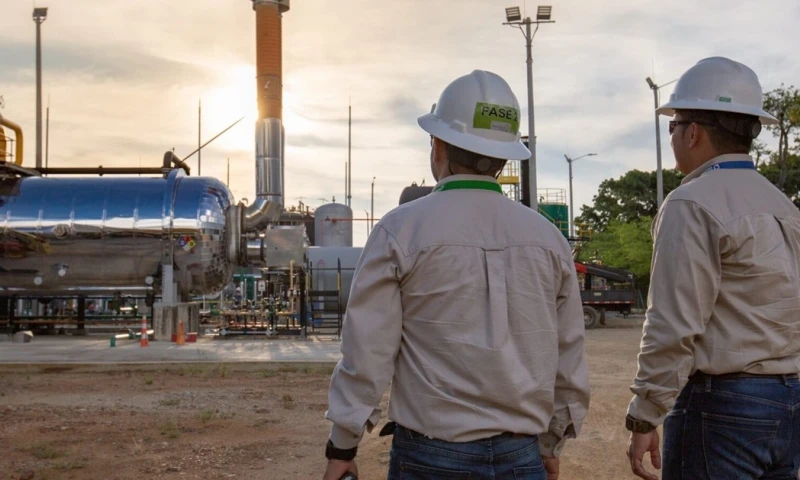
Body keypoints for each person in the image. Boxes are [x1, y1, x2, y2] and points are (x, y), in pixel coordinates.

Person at [323, 70, 590, 480]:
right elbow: (568, 353)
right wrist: (551, 442)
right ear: (504, 159)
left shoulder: (400, 230)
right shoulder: (549, 239)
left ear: (438, 146)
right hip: (522, 456)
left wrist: (343, 444)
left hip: (430, 457)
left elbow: (367, 351)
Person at [626, 57, 800, 480]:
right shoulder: (784, 207)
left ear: (693, 132)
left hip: (723, 408)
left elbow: (672, 324)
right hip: (790, 403)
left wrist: (646, 415)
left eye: (673, 127)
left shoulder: (691, 203)